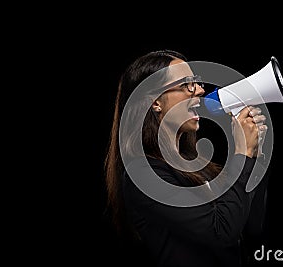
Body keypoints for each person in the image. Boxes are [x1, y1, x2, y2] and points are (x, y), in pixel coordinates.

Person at [104, 49, 269, 267]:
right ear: (155, 102)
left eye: (196, 82)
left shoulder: (197, 167)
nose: (200, 90)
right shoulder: (144, 175)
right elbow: (220, 233)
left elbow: (250, 228)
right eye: (186, 84)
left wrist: (254, 156)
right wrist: (242, 152)